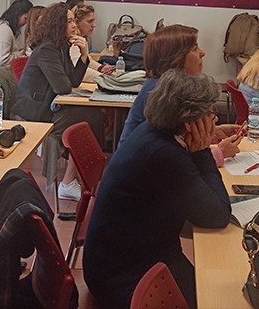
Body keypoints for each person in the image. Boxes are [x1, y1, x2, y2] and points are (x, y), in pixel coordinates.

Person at [83, 70, 232, 309]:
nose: (214, 118)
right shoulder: (163, 155)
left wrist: (203, 143)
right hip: (123, 277)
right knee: (218, 299)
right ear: (190, 123)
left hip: (125, 259)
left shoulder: (153, 131)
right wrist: (203, 149)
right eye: (211, 113)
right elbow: (217, 215)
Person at [12, 2, 102, 200]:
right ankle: (68, 182)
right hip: (37, 111)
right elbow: (63, 87)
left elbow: (73, 80)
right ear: (57, 24)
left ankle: (77, 177)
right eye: (69, 21)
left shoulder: (60, 46)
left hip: (49, 105)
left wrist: (84, 55)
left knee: (92, 115)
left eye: (73, 21)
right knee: (87, 118)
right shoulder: (47, 49)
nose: (74, 25)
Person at [117, 24, 242, 163]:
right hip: (142, 167)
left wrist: (211, 132)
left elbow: (178, 140)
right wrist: (220, 153)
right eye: (194, 48)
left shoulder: (165, 86)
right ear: (176, 58)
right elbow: (171, 159)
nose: (202, 53)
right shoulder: (165, 94)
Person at [70, 4, 114, 81]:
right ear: (76, 22)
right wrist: (107, 78)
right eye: (90, 21)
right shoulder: (72, 42)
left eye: (93, 21)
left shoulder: (81, 39)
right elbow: (79, 72)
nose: (94, 25)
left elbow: (87, 61)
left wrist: (101, 68)